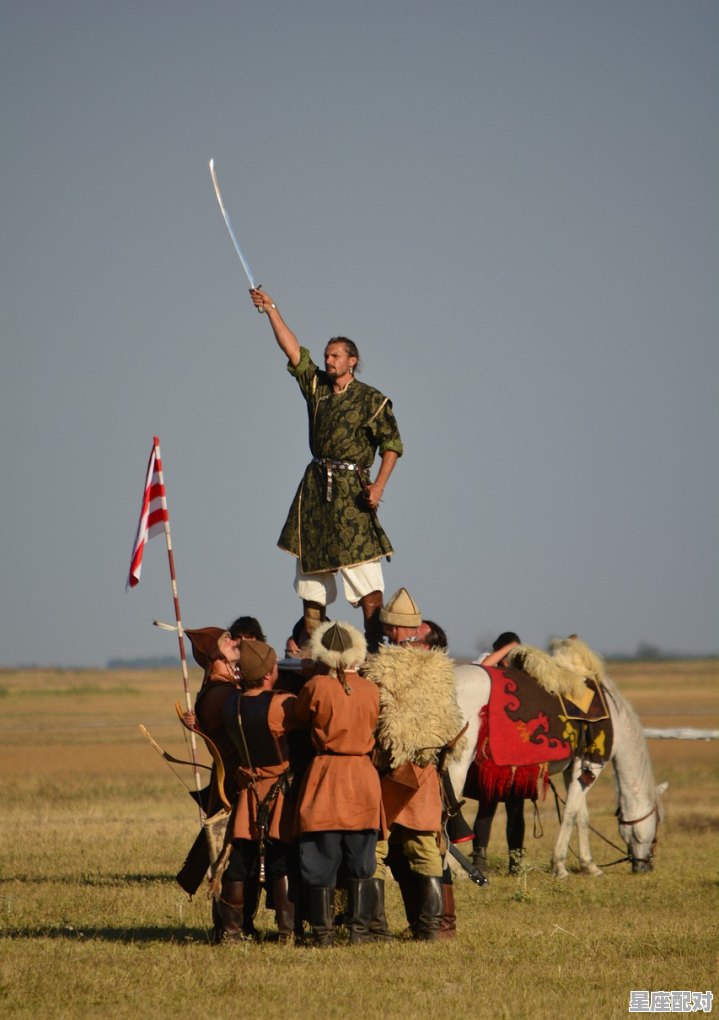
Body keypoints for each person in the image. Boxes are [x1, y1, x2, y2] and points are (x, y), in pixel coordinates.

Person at [249, 288, 403, 651]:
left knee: (366, 577)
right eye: (326, 355)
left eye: (335, 355)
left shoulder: (372, 400)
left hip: (353, 493)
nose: (328, 359)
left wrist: (378, 486)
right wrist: (271, 309)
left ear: (352, 360)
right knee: (311, 581)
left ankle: (376, 651)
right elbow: (292, 350)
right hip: (317, 491)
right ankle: (317, 650)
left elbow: (392, 446)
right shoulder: (316, 387)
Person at [365, 588, 465, 941]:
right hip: (426, 772)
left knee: (376, 849)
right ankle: (432, 929)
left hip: (392, 774)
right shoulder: (441, 667)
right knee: (425, 850)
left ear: (391, 628)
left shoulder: (380, 667)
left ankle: (374, 929)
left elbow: (374, 721)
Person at [293, 621, 383, 946]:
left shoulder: (316, 685)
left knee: (320, 854)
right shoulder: (372, 689)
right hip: (362, 777)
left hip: (327, 776)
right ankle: (358, 932)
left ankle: (323, 933)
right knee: (361, 859)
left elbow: (298, 716)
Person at [215, 639, 302, 943]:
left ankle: (231, 931)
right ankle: (287, 932)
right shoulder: (281, 704)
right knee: (281, 861)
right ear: (268, 673)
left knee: (241, 860)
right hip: (277, 790)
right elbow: (307, 716)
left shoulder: (231, 704)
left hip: (248, 792)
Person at [471, 631, 528, 875]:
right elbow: (486, 665)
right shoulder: (487, 666)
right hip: (492, 747)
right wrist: (510, 648)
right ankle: (479, 857)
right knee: (488, 802)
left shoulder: (521, 672)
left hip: (515, 745)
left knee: (516, 806)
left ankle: (515, 860)